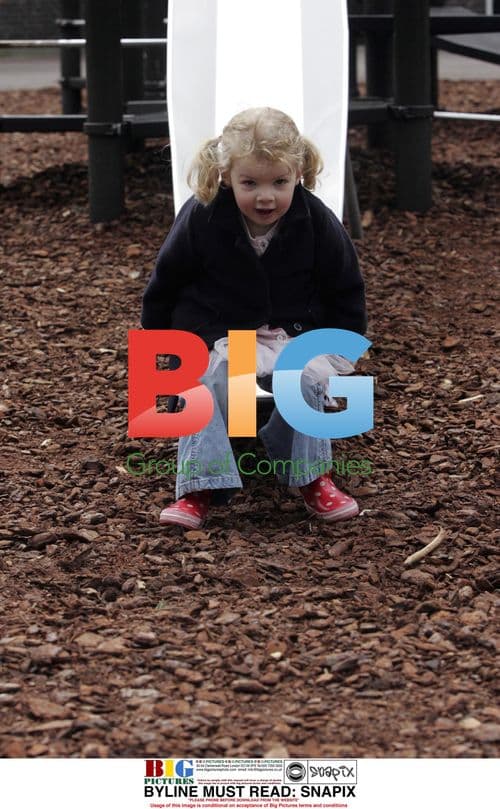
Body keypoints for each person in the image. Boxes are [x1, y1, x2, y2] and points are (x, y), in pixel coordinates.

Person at [141, 107, 367, 529]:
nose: (266, 196)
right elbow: (165, 284)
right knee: (212, 380)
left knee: (304, 377)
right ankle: (200, 485)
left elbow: (345, 286)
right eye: (250, 183)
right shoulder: (202, 215)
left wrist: (341, 349)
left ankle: (311, 476)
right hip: (220, 331)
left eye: (279, 182)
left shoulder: (315, 219)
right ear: (226, 175)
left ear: (298, 172)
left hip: (293, 331)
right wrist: (165, 356)